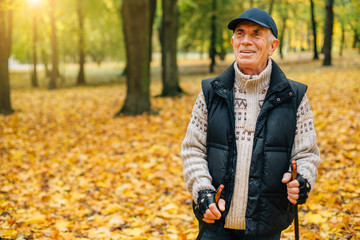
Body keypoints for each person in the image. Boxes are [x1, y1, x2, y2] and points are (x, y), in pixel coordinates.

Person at [181, 8, 321, 240]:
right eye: (240, 33)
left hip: (267, 225)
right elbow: (192, 149)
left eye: (256, 34)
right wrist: (203, 191)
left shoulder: (294, 96)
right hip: (215, 222)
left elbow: (307, 154)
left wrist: (302, 179)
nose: (246, 41)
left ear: (272, 46)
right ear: (233, 41)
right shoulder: (211, 92)